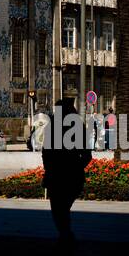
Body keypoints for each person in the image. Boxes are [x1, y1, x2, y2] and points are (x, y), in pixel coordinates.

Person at [41, 97, 91, 243]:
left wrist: (50, 169)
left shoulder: (54, 126)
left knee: (58, 208)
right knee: (63, 208)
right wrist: (76, 167)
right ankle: (66, 234)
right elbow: (87, 155)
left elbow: (46, 153)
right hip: (71, 175)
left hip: (56, 175)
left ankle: (65, 234)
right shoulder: (77, 126)